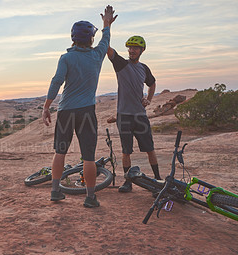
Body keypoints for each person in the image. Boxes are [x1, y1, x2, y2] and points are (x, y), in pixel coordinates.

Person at [42, 5, 117, 208]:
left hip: (66, 111)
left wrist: (46, 107)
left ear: (73, 38)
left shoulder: (66, 58)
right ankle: (90, 197)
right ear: (90, 38)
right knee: (89, 157)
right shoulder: (97, 55)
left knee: (60, 152)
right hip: (86, 111)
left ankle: (55, 191)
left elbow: (56, 81)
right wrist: (106, 25)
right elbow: (106, 41)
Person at [107, 35, 161, 193]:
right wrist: (107, 26)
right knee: (126, 151)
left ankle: (157, 180)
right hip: (124, 116)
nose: (131, 50)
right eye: (130, 48)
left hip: (140, 115)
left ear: (142, 50)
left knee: (150, 149)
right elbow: (108, 49)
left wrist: (149, 99)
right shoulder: (121, 64)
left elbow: (152, 83)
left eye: (135, 48)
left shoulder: (144, 68)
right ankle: (128, 182)